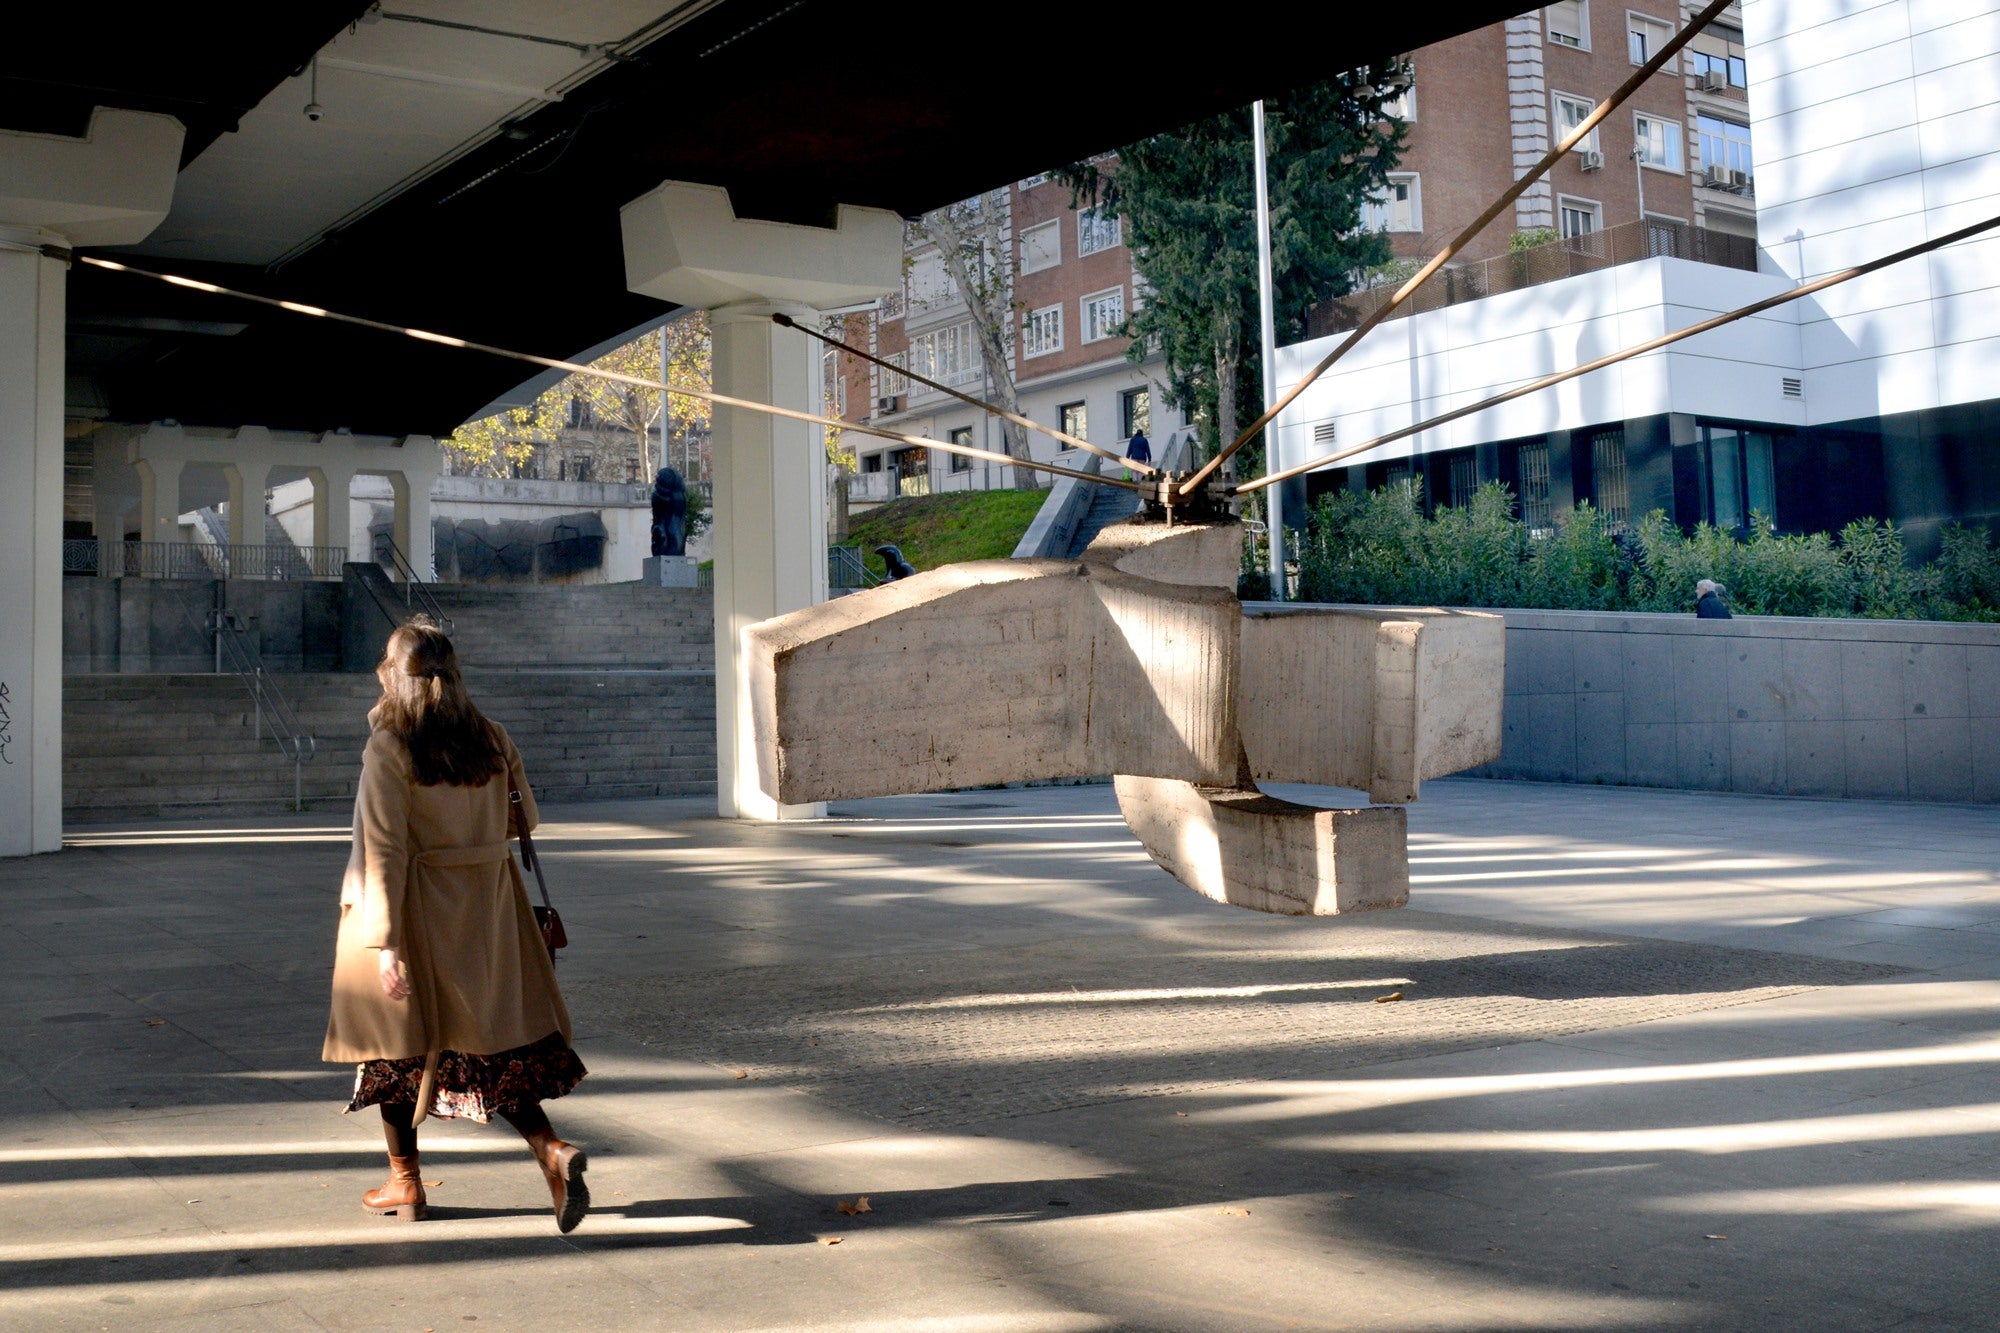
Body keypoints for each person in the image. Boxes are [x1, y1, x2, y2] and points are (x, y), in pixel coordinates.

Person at [323, 616, 589, 1232]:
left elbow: (384, 847)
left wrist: (384, 943)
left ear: (395, 675)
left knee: (392, 1047)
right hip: (489, 913)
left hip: (410, 910)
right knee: (492, 1046)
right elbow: (521, 824)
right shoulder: (491, 737)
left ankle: (406, 1183)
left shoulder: (390, 744)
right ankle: (551, 1150)